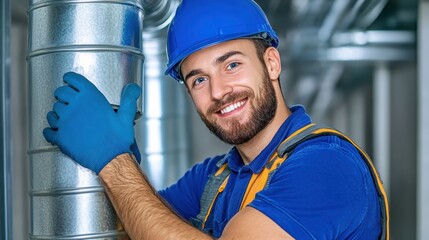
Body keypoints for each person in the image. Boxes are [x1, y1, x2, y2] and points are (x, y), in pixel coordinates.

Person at [43, 0, 389, 239]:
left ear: (271, 63)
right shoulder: (215, 178)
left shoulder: (327, 166)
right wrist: (122, 157)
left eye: (231, 64)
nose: (219, 91)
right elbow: (137, 226)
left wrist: (113, 162)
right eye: (198, 79)